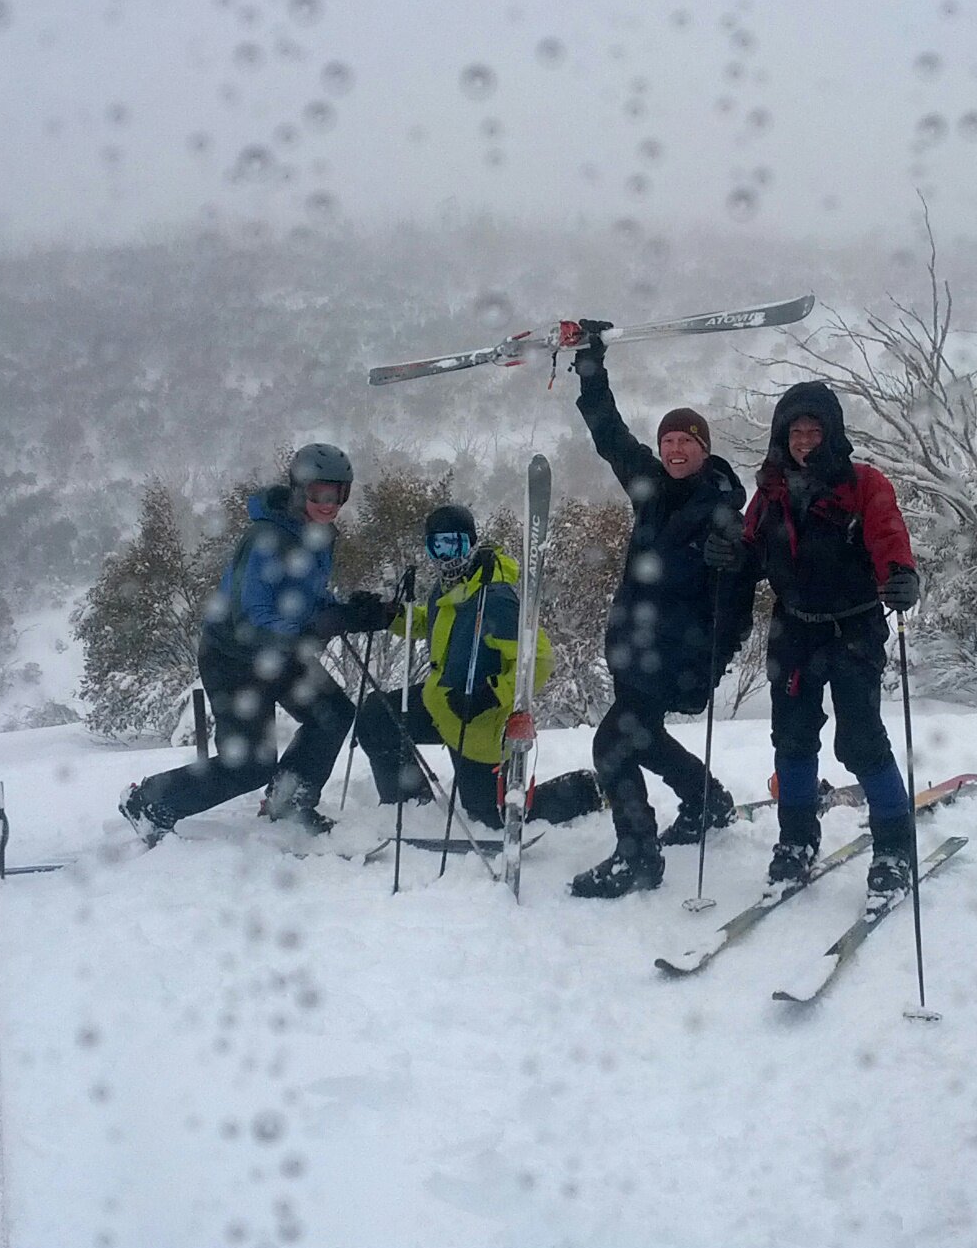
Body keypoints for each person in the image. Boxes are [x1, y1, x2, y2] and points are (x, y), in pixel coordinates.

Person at [119, 443, 396, 844]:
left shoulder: (318, 536)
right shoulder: (267, 537)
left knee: (333, 713)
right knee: (248, 765)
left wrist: (356, 612)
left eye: (338, 493)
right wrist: (316, 628)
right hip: (234, 657)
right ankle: (147, 802)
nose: (329, 503)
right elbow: (252, 616)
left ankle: (289, 802)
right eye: (320, 492)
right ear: (300, 490)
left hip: (280, 652)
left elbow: (307, 600)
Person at [709, 382, 923, 900]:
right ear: (783, 435)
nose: (804, 440)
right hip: (794, 628)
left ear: (832, 432)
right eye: (795, 431)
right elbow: (754, 548)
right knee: (793, 740)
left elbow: (889, 536)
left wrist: (901, 576)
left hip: (854, 627)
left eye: (814, 430)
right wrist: (731, 553)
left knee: (861, 740)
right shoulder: (774, 489)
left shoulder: (865, 483)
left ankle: (894, 845)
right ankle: (796, 841)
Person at [562, 321, 751, 899]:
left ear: (704, 449)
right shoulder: (647, 483)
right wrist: (590, 363)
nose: (674, 448)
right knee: (641, 737)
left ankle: (637, 854)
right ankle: (705, 800)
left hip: (679, 654)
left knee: (612, 743)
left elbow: (743, 585)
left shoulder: (722, 508)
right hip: (635, 646)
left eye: (686, 441)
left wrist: (735, 560)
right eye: (668, 440)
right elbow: (610, 434)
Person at [352, 502, 603, 831]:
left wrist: (492, 694)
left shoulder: (495, 597)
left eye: (454, 544)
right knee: (376, 716)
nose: (447, 556)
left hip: (479, 722)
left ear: (471, 542)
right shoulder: (448, 588)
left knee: (492, 817)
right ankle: (410, 806)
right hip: (441, 704)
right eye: (437, 546)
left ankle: (590, 789)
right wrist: (388, 615)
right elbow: (432, 622)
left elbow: (539, 659)